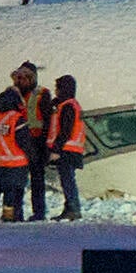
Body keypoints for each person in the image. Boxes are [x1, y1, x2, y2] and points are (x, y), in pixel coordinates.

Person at [0, 61, 55, 220]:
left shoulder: (42, 94)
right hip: (18, 142)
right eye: (19, 77)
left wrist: (48, 145)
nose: (21, 81)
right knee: (17, 180)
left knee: (37, 180)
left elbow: (48, 120)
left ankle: (39, 213)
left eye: (25, 77)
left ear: (33, 78)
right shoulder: (11, 94)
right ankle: (16, 212)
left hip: (37, 141)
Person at [0, 93, 29, 223]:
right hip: (15, 162)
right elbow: (24, 141)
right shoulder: (16, 119)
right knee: (11, 190)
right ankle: (8, 215)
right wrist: (32, 156)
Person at [47, 74, 86, 221]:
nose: (55, 91)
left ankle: (73, 209)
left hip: (67, 150)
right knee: (67, 180)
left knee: (67, 181)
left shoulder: (68, 106)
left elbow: (65, 130)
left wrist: (56, 150)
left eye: (57, 88)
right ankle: (70, 209)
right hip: (71, 149)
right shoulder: (69, 104)